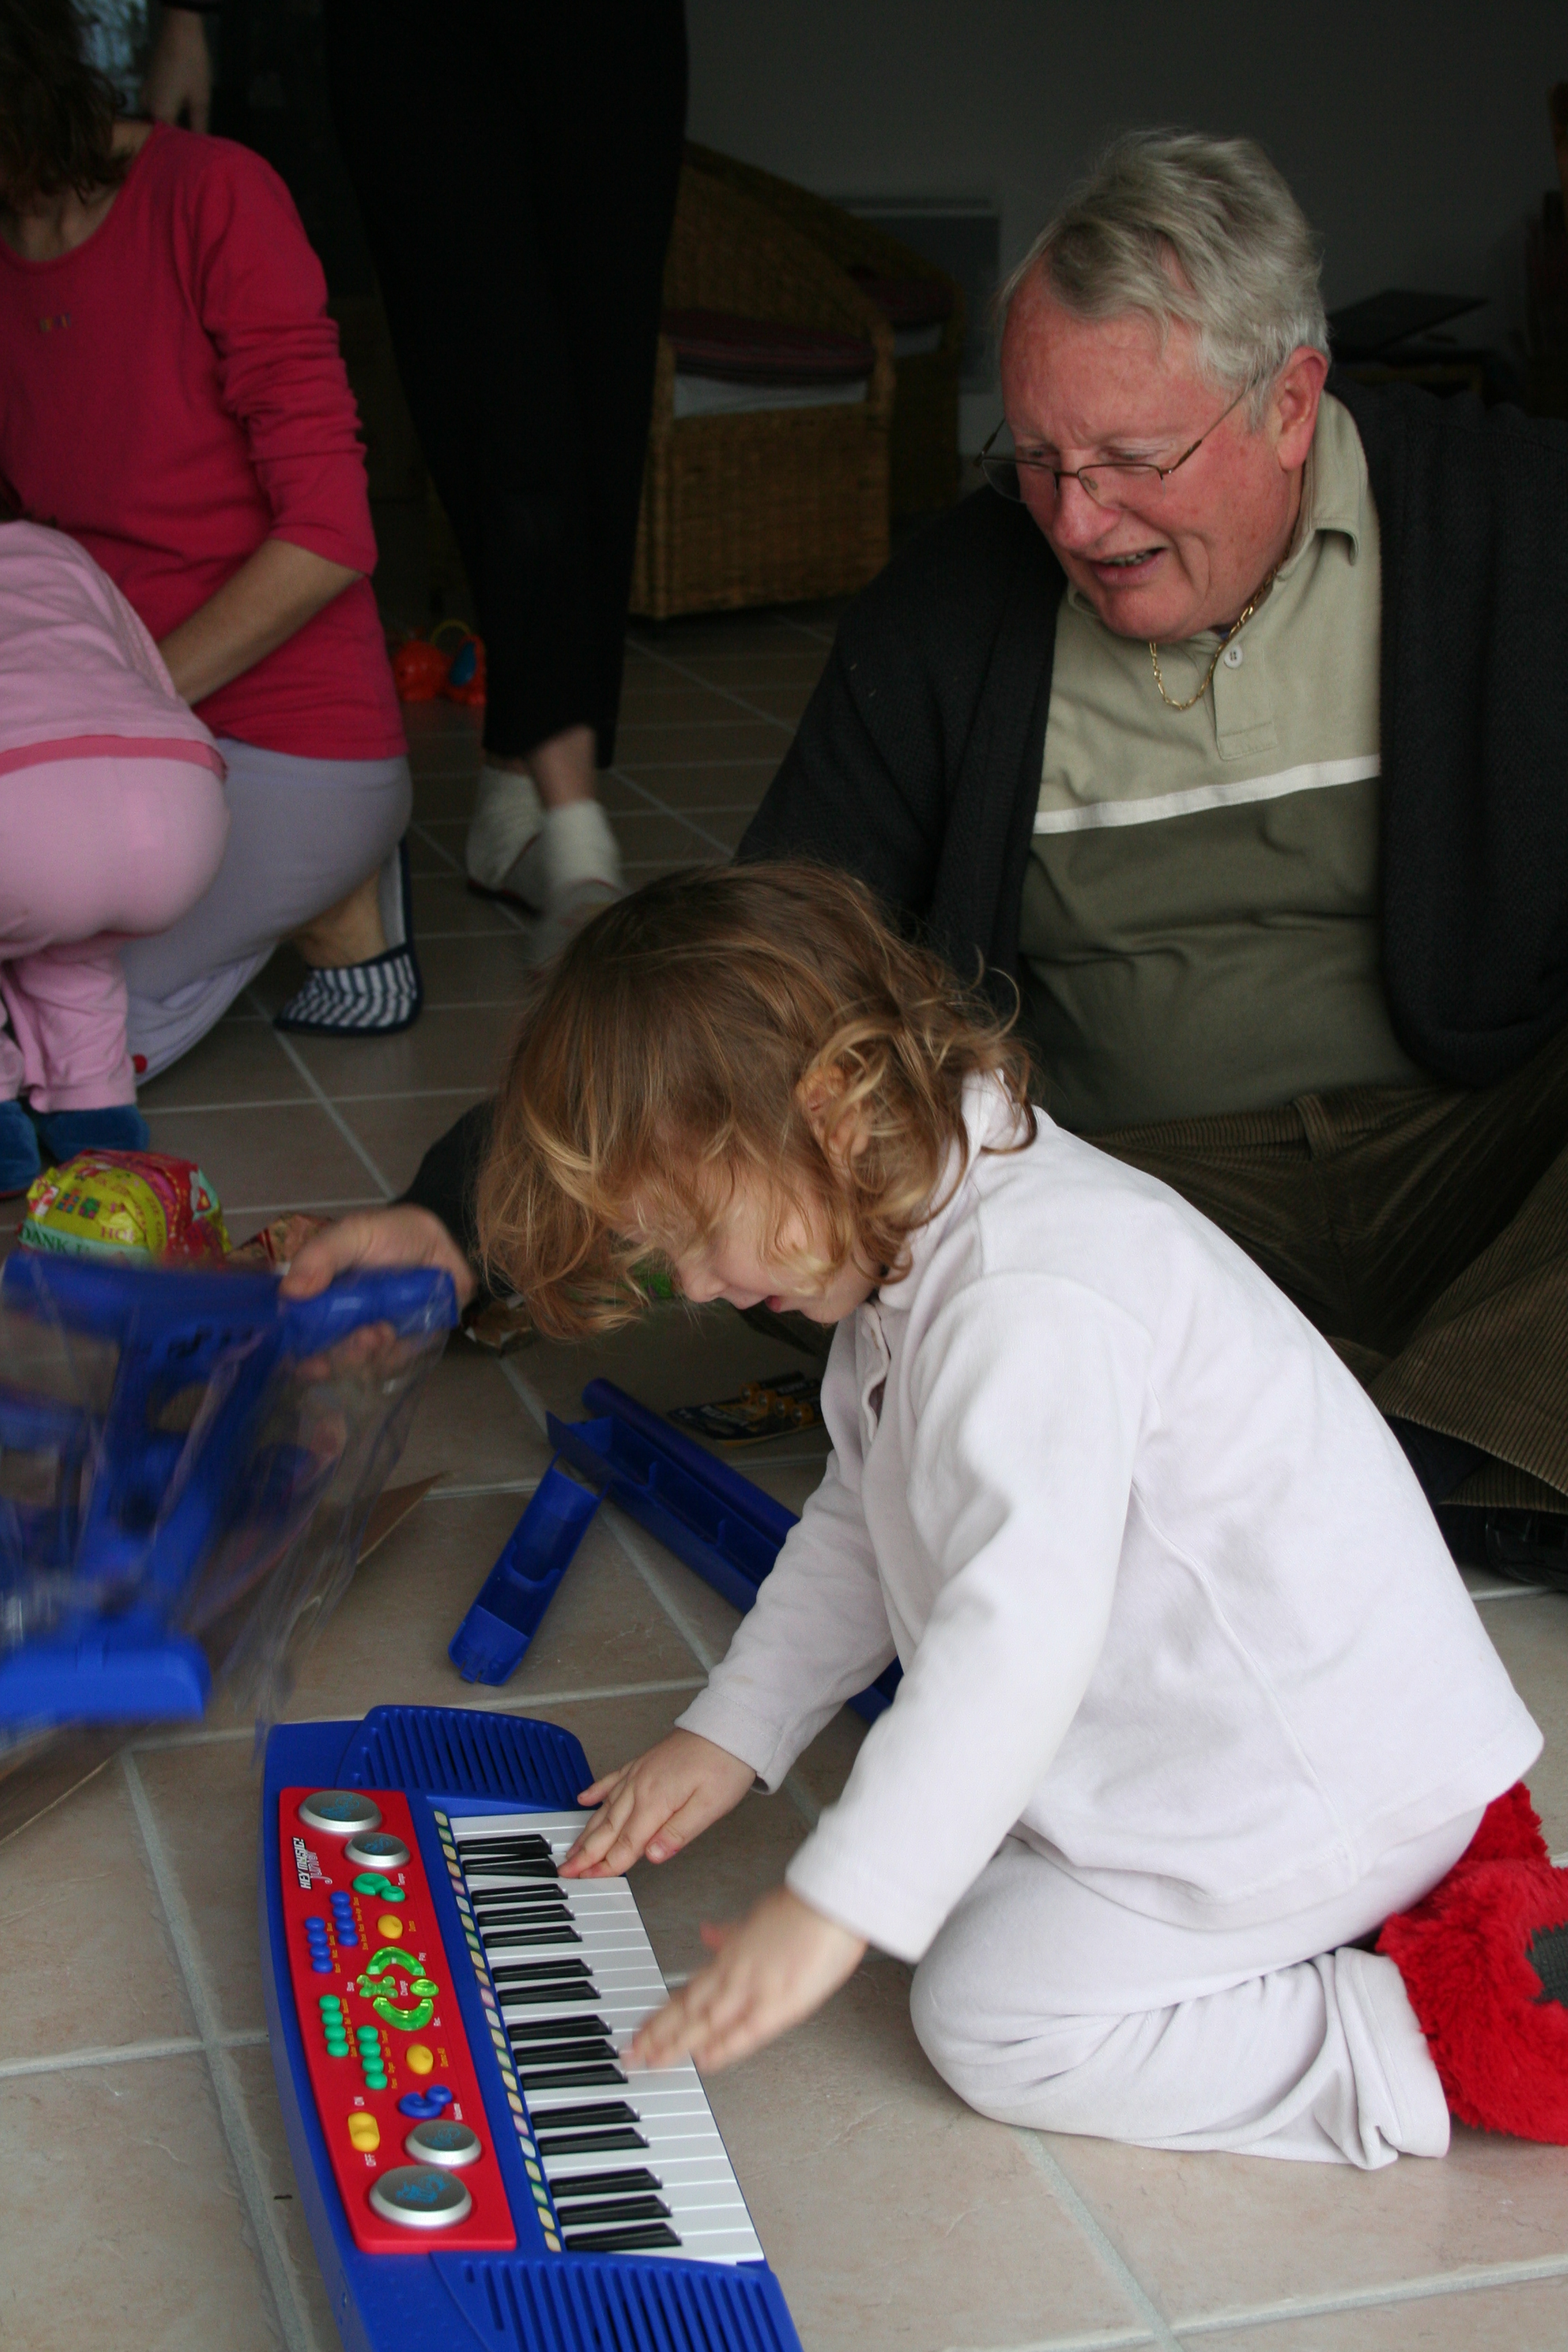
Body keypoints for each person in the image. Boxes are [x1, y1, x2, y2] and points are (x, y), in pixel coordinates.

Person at [280, 131, 1568, 1588]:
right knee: (823, 1197)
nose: (1076, 520)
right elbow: (755, 980)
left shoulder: (1514, 522)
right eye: (1038, 461)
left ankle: (1359, 1452)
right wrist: (459, 1218)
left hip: (1477, 1152)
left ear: (1289, 401)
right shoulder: (955, 606)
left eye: (1131, 461)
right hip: (1139, 1194)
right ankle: (1438, 1453)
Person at [380, 859, 1562, 2165]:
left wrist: (831, 1910)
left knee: (989, 2011)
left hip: (1310, 1791)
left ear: (829, 1109)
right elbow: (860, 1514)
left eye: (702, 1231)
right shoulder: (923, 1226)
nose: (703, 1284)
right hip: (1255, 1743)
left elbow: (1015, 1640)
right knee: (951, 1857)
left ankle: (1392, 2044)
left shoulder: (1024, 1299)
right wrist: (731, 1730)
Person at [0, 0, 419, 1070]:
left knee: (43, 1036)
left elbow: (332, 532)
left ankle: (341, 871)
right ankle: (332, 901)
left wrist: (122, 697)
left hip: (285, 738)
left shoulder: (213, 195)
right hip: (97, 733)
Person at [0, 518, 230, 1190]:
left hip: (23, 797)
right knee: (76, 948)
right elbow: (146, 671)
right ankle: (99, 1121)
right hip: (175, 797)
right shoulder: (55, 550)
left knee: (43, 888)